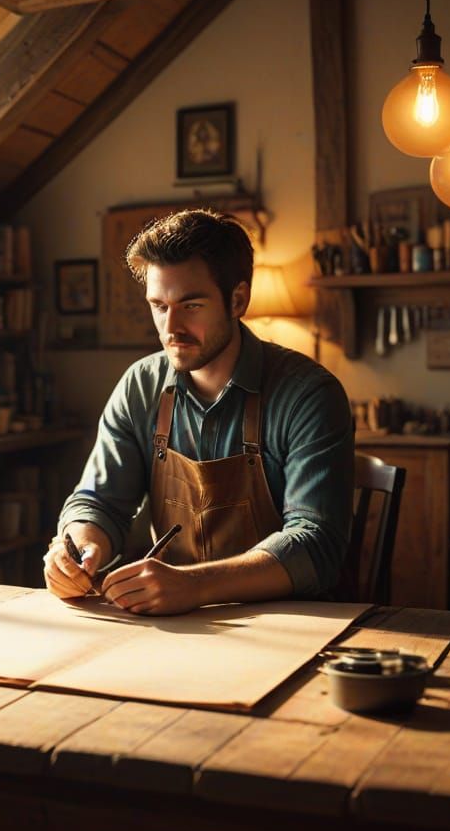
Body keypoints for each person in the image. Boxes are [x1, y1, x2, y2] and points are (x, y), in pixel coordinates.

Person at [43, 208, 353, 615]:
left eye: (190, 306)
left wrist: (195, 585)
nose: (171, 327)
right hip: (174, 620)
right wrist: (79, 548)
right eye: (159, 305)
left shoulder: (309, 394)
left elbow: (315, 545)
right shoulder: (140, 386)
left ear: (237, 299)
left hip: (289, 623)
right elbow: (99, 502)